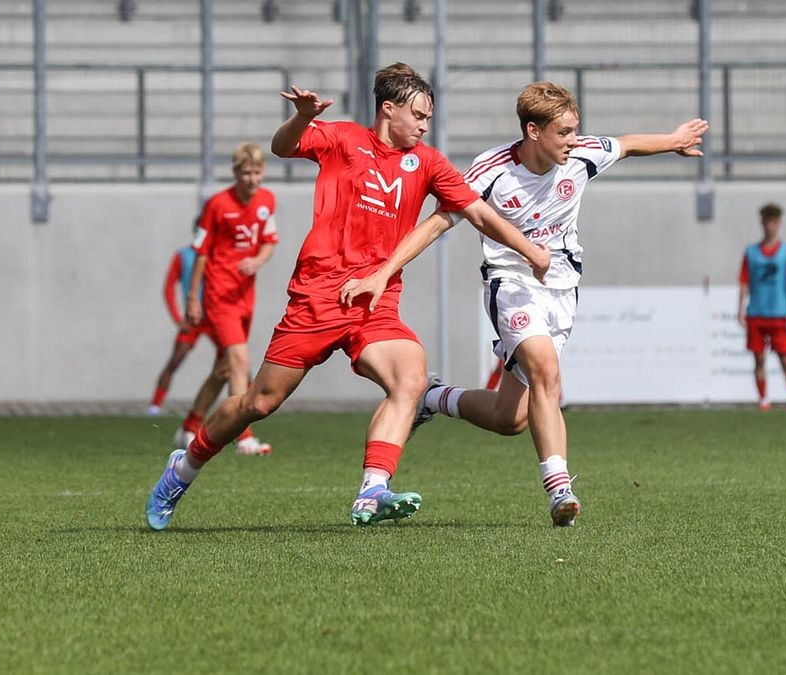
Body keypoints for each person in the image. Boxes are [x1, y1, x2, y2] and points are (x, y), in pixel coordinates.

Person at [145, 63, 551, 531]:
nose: (424, 125)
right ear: (388, 109)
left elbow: (477, 212)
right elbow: (284, 146)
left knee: (411, 379)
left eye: (428, 117)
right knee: (259, 402)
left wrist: (530, 252)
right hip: (318, 297)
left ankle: (372, 490)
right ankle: (184, 467)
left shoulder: (429, 163)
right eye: (418, 114)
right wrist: (301, 117)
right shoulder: (343, 140)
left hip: (375, 302)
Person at [402, 81, 707, 527]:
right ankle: (559, 488)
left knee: (512, 419)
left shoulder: (580, 155)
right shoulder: (490, 170)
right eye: (563, 132)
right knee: (546, 370)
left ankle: (433, 397)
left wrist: (674, 141)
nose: (573, 140)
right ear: (533, 131)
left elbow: (625, 145)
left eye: (574, 130)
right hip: (511, 282)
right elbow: (440, 221)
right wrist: (386, 267)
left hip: (562, 289)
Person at [174, 142, 279, 456]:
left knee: (224, 369)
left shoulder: (266, 201)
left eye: (257, 172)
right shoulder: (217, 205)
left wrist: (258, 261)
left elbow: (270, 241)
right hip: (219, 294)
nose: (251, 179)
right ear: (235, 173)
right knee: (239, 362)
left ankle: (189, 427)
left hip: (245, 296)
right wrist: (194, 298)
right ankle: (243, 436)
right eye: (246, 172)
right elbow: (201, 253)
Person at [736, 202, 786, 412]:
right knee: (758, 359)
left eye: (773, 222)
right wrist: (740, 308)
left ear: (779, 224)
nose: (770, 227)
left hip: (778, 313)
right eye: (767, 222)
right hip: (756, 313)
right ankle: (764, 400)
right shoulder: (751, 252)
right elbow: (744, 282)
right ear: (762, 224)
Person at [147, 216, 216, 417]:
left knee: (235, 361)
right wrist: (178, 318)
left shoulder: (219, 253)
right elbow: (168, 288)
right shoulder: (184, 256)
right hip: (193, 318)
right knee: (175, 361)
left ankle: (246, 407)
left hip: (217, 317)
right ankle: (154, 407)